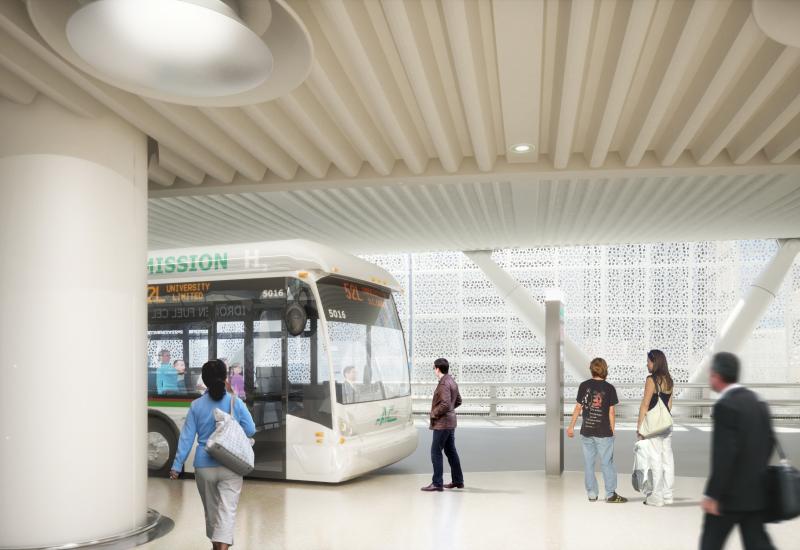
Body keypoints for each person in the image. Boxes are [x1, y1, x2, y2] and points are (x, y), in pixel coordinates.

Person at [170, 359, 256, 550]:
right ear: (225, 377)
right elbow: (250, 430)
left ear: (205, 380)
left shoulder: (196, 405)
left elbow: (186, 438)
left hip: (204, 466)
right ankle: (222, 548)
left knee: (211, 511)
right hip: (232, 464)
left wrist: (176, 466)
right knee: (227, 511)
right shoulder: (236, 402)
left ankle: (216, 546)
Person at [700, 352, 776, 550]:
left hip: (728, 498)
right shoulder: (758, 402)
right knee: (758, 544)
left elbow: (724, 455)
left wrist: (713, 495)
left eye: (710, 374)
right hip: (756, 493)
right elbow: (770, 442)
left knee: (710, 544)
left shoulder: (725, 406)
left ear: (716, 376)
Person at [567, 357, 627, 503]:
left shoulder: (583, 386)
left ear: (591, 369)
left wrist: (570, 426)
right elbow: (611, 412)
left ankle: (592, 494)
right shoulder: (609, 388)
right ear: (605, 369)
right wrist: (612, 430)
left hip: (587, 431)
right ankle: (610, 494)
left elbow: (578, 407)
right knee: (607, 463)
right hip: (603, 432)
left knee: (589, 463)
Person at [636, 349, 675, 506]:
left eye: (649, 361)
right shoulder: (669, 380)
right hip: (667, 425)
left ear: (655, 362)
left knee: (655, 459)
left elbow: (645, 404)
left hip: (653, 427)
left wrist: (640, 427)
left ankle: (656, 498)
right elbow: (669, 404)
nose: (647, 364)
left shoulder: (651, 380)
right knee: (668, 459)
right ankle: (668, 495)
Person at [421, 358, 464, 492]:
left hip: (442, 424)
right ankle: (458, 481)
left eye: (434, 368)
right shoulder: (451, 381)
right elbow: (458, 401)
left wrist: (434, 413)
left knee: (435, 452)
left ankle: (437, 483)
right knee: (451, 451)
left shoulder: (444, 384)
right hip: (450, 422)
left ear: (437, 368)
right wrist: (450, 410)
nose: (434, 370)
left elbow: (445, 404)